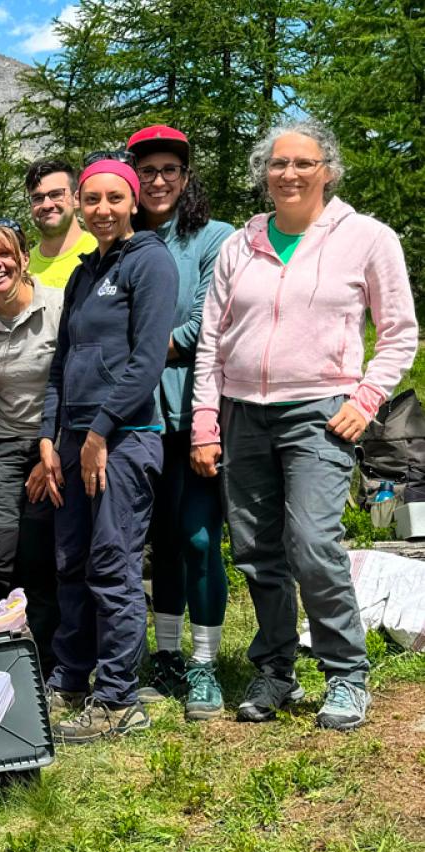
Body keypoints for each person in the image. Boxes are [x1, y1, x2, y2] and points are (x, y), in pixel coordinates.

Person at [191, 120, 419, 731]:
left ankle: (346, 673)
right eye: (277, 163)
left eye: (303, 163)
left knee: (314, 544)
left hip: (321, 413)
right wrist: (205, 423)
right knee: (257, 552)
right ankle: (274, 670)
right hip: (241, 413)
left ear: (328, 170)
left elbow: (399, 332)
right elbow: (212, 342)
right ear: (263, 173)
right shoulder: (241, 246)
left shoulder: (367, 238)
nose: (288, 174)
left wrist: (367, 398)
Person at [33, 155, 178, 743]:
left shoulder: (151, 263)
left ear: (133, 201)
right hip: (72, 439)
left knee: (112, 564)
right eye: (92, 200)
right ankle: (72, 676)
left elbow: (146, 361)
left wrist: (99, 433)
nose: (103, 210)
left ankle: (119, 698)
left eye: (114, 199)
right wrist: (50, 437)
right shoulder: (83, 272)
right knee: (71, 562)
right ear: (78, 206)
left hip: (126, 438)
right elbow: (61, 363)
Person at [126, 125, 237, 721]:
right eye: (147, 171)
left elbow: (207, 325)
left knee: (198, 538)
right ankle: (166, 655)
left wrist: (142, 351)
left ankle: (205, 661)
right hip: (141, 419)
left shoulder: (214, 239)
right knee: (161, 542)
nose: (159, 181)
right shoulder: (127, 241)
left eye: (170, 169)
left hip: (198, 412)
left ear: (186, 176)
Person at [0, 220, 63, 669]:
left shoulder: (56, 307)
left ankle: (47, 654)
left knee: (38, 553)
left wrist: (52, 448)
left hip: (54, 445)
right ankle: (2, 645)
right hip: (6, 446)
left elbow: (70, 385)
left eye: (5, 254)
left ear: (24, 258)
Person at [25, 159, 97, 289]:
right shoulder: (23, 267)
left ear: (76, 199)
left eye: (56, 194)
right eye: (38, 198)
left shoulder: (101, 253)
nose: (47, 205)